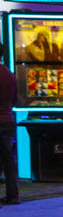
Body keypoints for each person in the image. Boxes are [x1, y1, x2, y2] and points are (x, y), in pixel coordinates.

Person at [0, 60, 19, 205]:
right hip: (7, 120)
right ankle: (13, 195)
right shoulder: (10, 74)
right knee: (8, 161)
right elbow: (14, 99)